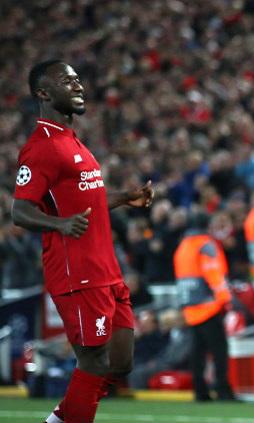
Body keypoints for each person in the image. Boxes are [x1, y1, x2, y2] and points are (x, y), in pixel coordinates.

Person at [11, 60, 154, 423]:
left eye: (77, 80)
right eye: (66, 81)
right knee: (94, 360)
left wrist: (124, 197)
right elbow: (20, 210)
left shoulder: (72, 140)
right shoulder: (41, 147)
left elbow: (86, 200)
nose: (77, 86)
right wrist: (58, 224)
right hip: (77, 272)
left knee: (121, 362)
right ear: (43, 93)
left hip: (106, 268)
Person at [173, 213, 235, 401]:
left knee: (197, 353)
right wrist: (225, 300)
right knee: (219, 351)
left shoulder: (182, 247)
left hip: (190, 309)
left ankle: (200, 392)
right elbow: (214, 274)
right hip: (209, 307)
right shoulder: (206, 245)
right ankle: (223, 391)